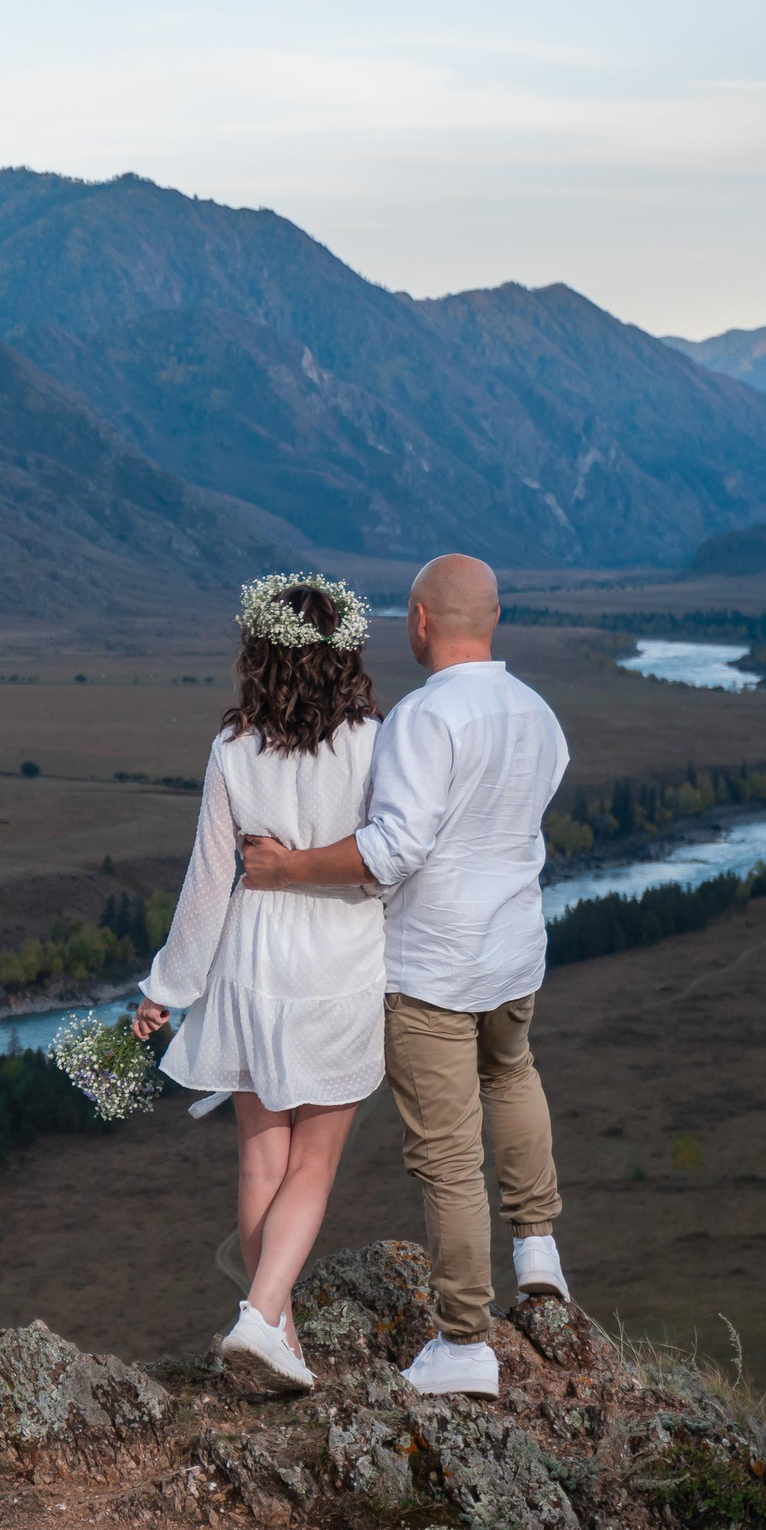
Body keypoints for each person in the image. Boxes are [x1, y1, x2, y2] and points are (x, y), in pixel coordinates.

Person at [240, 553, 569, 1400]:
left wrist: (288, 868)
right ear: (492, 619)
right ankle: (538, 1245)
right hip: (515, 950)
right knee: (514, 1072)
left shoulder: (424, 718)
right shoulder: (538, 712)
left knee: (447, 1153)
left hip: (434, 965)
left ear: (422, 621)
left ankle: (465, 1340)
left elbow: (391, 852)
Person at [131, 573, 384, 1394]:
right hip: (340, 967)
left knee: (259, 1165)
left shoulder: (232, 749)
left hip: (247, 964)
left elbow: (208, 884)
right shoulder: (376, 744)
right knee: (312, 1165)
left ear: (259, 650)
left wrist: (167, 988)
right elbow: (391, 867)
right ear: (345, 655)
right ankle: (260, 1316)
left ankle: (280, 1341)